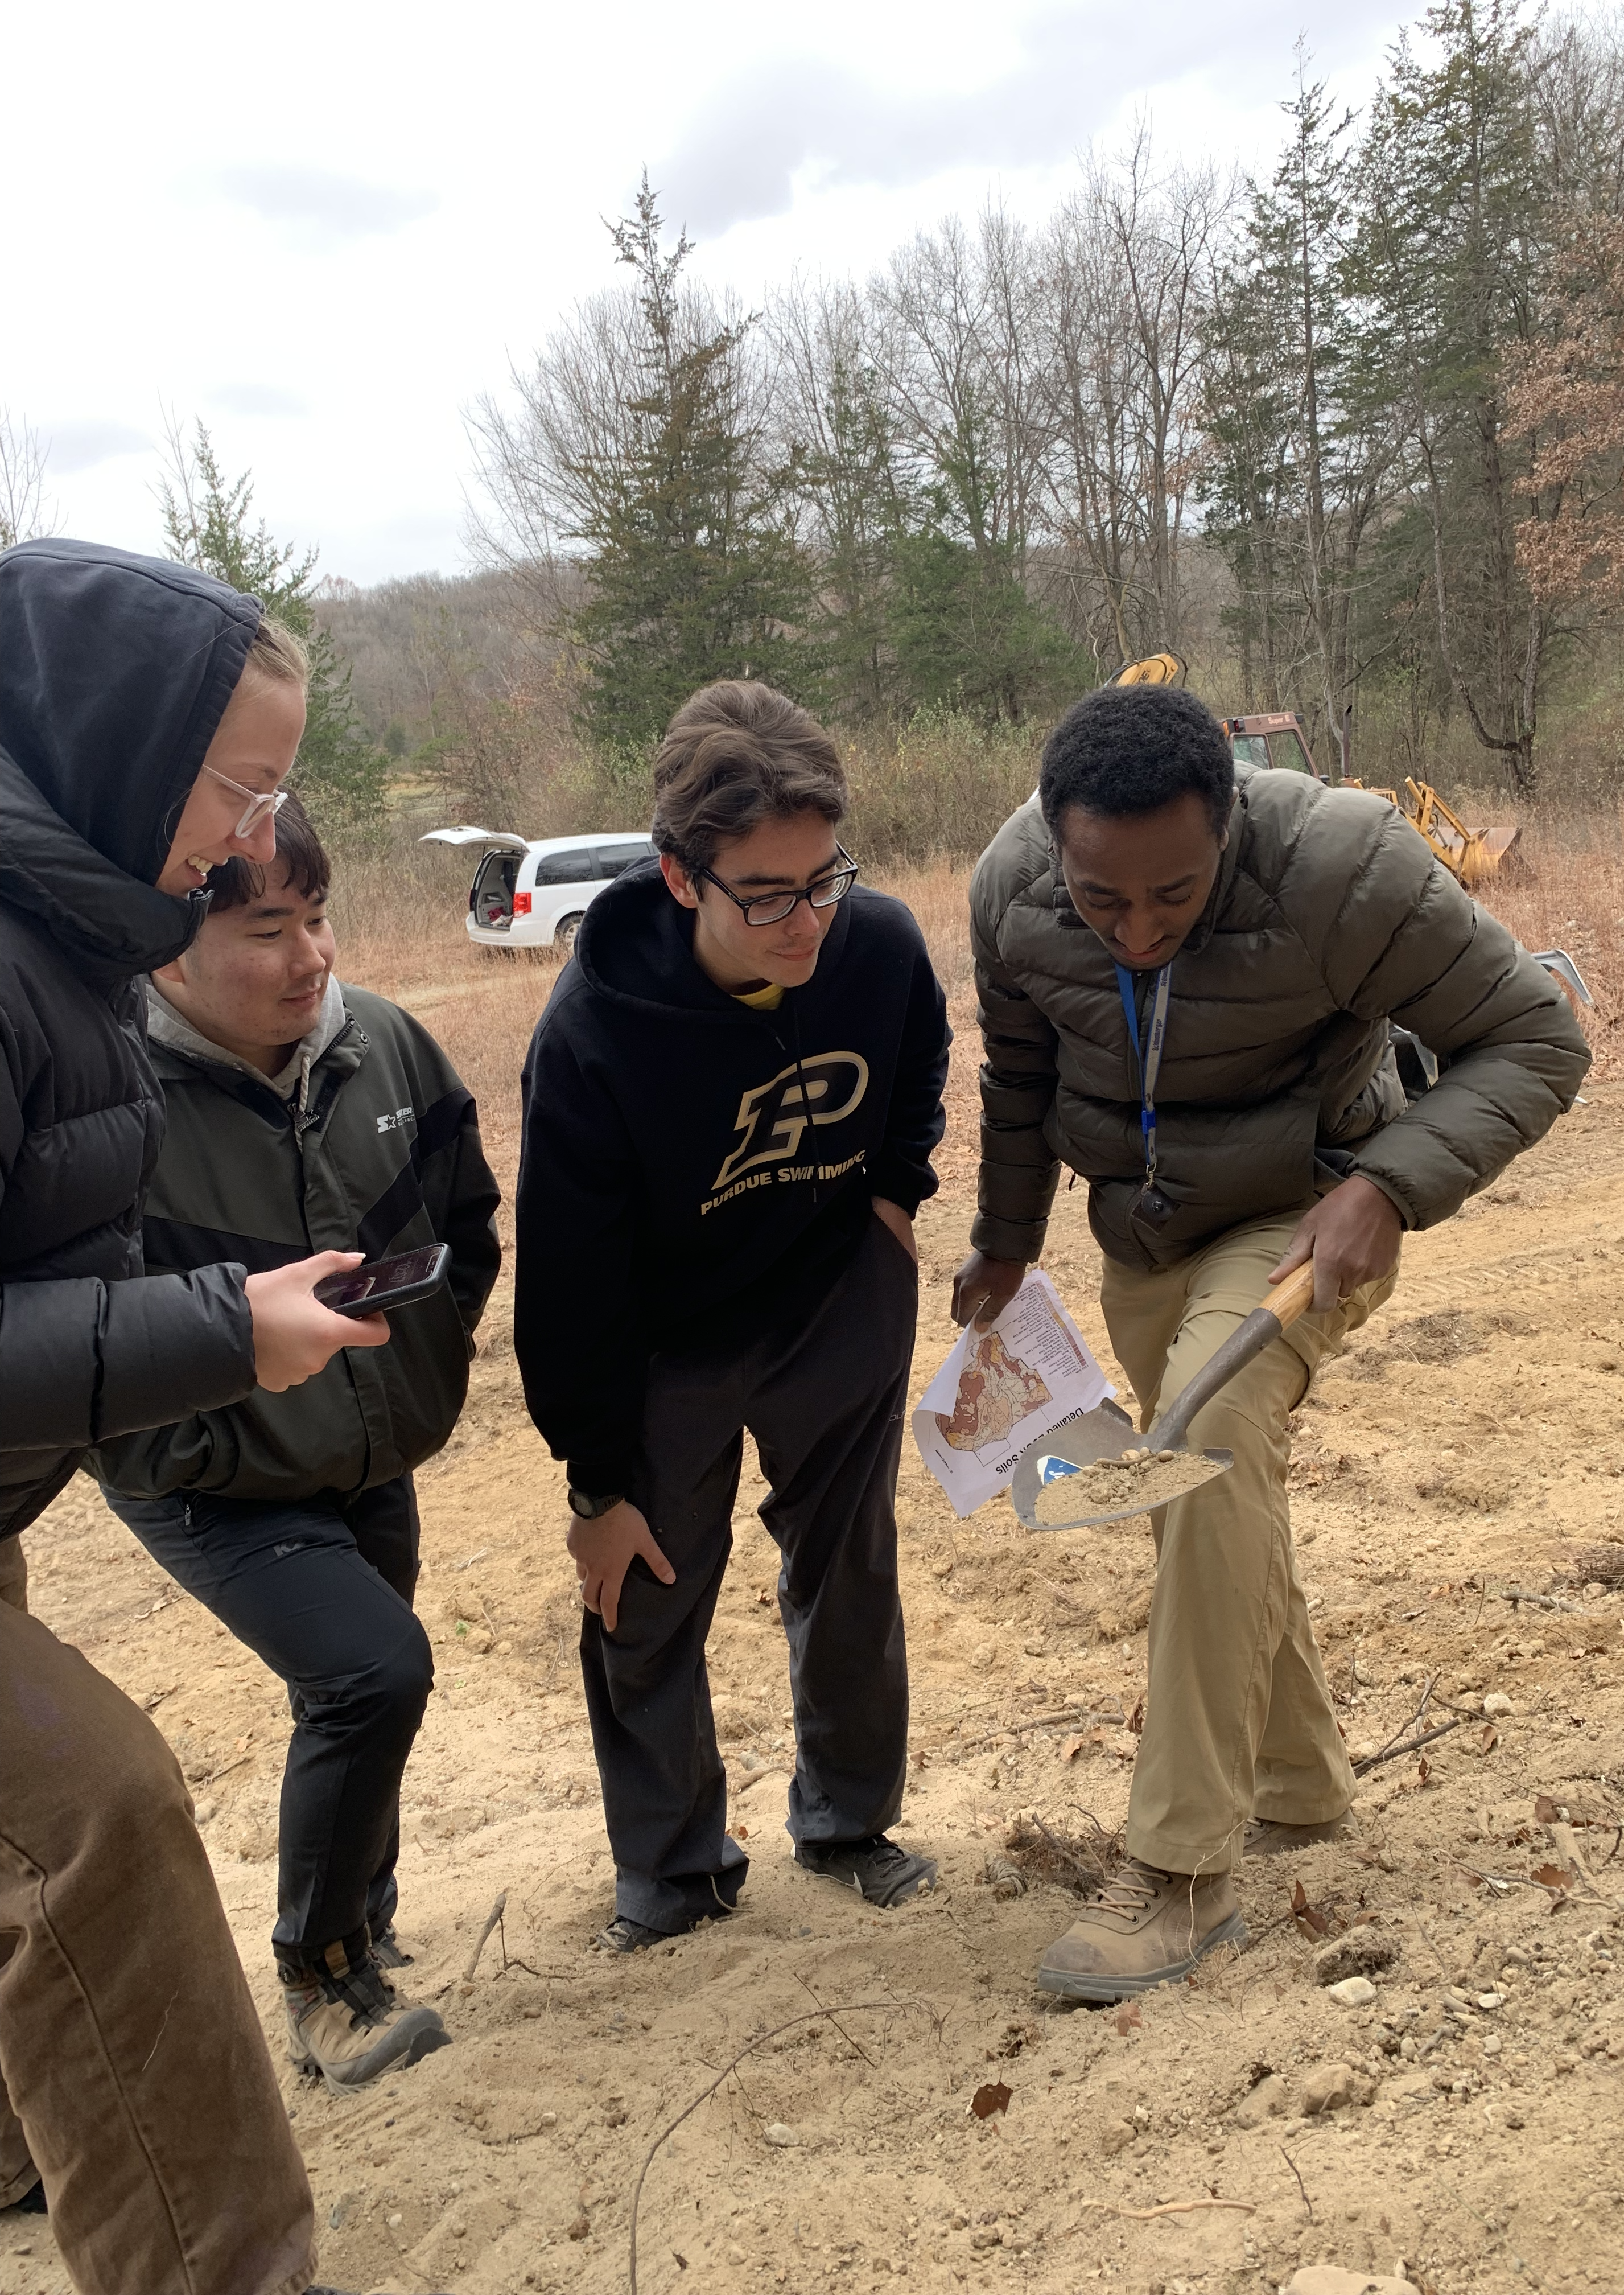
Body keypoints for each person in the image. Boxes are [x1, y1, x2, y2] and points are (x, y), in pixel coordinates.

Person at [952, 684, 1592, 2003]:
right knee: (1210, 1492)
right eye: (1101, 900)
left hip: (1308, 1215)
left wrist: (1390, 1183)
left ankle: (1182, 1873)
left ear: (1231, 822)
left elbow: (1536, 1033)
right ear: (1056, 852)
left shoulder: (1347, 867)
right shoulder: (1011, 888)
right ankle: (1297, 1781)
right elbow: (1020, 1075)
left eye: (1174, 896)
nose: (1135, 932)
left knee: (1204, 1436)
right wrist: (1006, 1242)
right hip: (1142, 1233)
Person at [0, 537, 406, 2295]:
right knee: (98, 1818)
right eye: (239, 786)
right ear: (109, 741)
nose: (257, 835)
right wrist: (220, 1329)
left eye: (281, 791)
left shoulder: (70, 933)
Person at [515, 680, 950, 1949]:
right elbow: (570, 1278)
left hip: (832, 1297)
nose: (806, 919)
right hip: (667, 1339)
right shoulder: (595, 1031)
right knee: (645, 1591)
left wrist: (892, 1191)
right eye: (765, 893)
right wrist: (597, 1484)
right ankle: (674, 1866)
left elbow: (918, 1064)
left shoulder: (876, 946)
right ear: (678, 875)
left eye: (824, 879)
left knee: (848, 1566)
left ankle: (852, 1824)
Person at [96, 791, 501, 2092]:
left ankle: (366, 1923)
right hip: (210, 1476)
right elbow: (88, 1332)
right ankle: (324, 1976)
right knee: (373, 1672)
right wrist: (223, 1427)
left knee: (361, 1688)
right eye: (268, 927)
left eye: (317, 918)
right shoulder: (108, 1095)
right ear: (170, 945)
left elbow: (469, 1220)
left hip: (368, 1446)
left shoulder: (382, 1044)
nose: (312, 956)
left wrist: (417, 1375)